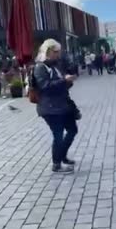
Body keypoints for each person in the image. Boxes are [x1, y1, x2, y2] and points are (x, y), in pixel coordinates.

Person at [33, 39, 78, 173]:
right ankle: (56, 164)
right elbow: (45, 86)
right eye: (55, 52)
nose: (58, 54)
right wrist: (63, 80)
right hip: (49, 107)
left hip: (62, 104)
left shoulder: (55, 65)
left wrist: (68, 80)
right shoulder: (40, 67)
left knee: (72, 129)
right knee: (58, 135)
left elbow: (61, 84)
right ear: (48, 51)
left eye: (59, 52)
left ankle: (62, 156)